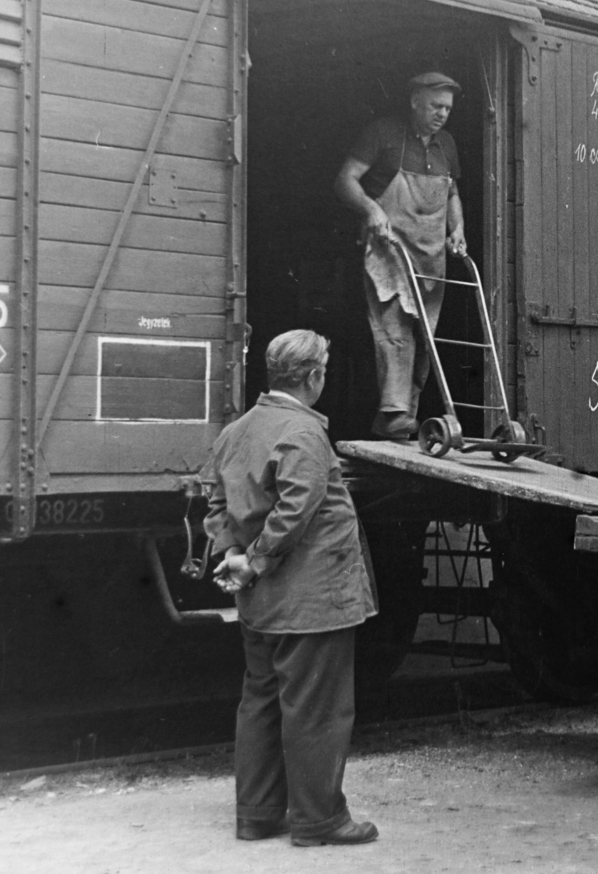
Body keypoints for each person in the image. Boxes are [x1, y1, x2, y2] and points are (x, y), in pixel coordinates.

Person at [203, 329, 379, 846]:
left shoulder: (237, 431)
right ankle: (319, 819)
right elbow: (295, 511)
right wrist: (254, 561)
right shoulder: (303, 433)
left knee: (261, 700)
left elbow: (216, 503)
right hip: (312, 600)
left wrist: (232, 555)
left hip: (261, 603)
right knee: (317, 708)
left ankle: (256, 815)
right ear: (313, 377)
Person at [334, 71, 467, 440]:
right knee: (394, 329)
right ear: (414, 101)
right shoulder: (383, 133)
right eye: (435, 106)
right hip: (389, 250)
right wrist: (371, 210)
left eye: (447, 108)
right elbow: (345, 179)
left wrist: (457, 229)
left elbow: (452, 193)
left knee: (425, 338)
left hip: (431, 256)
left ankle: (403, 414)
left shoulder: (447, 145)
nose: (442, 114)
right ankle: (393, 414)